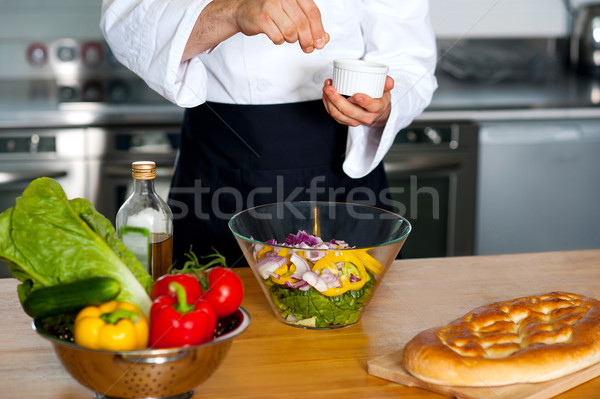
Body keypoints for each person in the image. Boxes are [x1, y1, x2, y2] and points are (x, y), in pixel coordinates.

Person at [100, 0, 438, 266]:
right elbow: (126, 22)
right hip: (219, 163)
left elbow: (409, 59)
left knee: (357, 330)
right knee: (211, 324)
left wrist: (382, 106)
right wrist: (232, 11)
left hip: (342, 162)